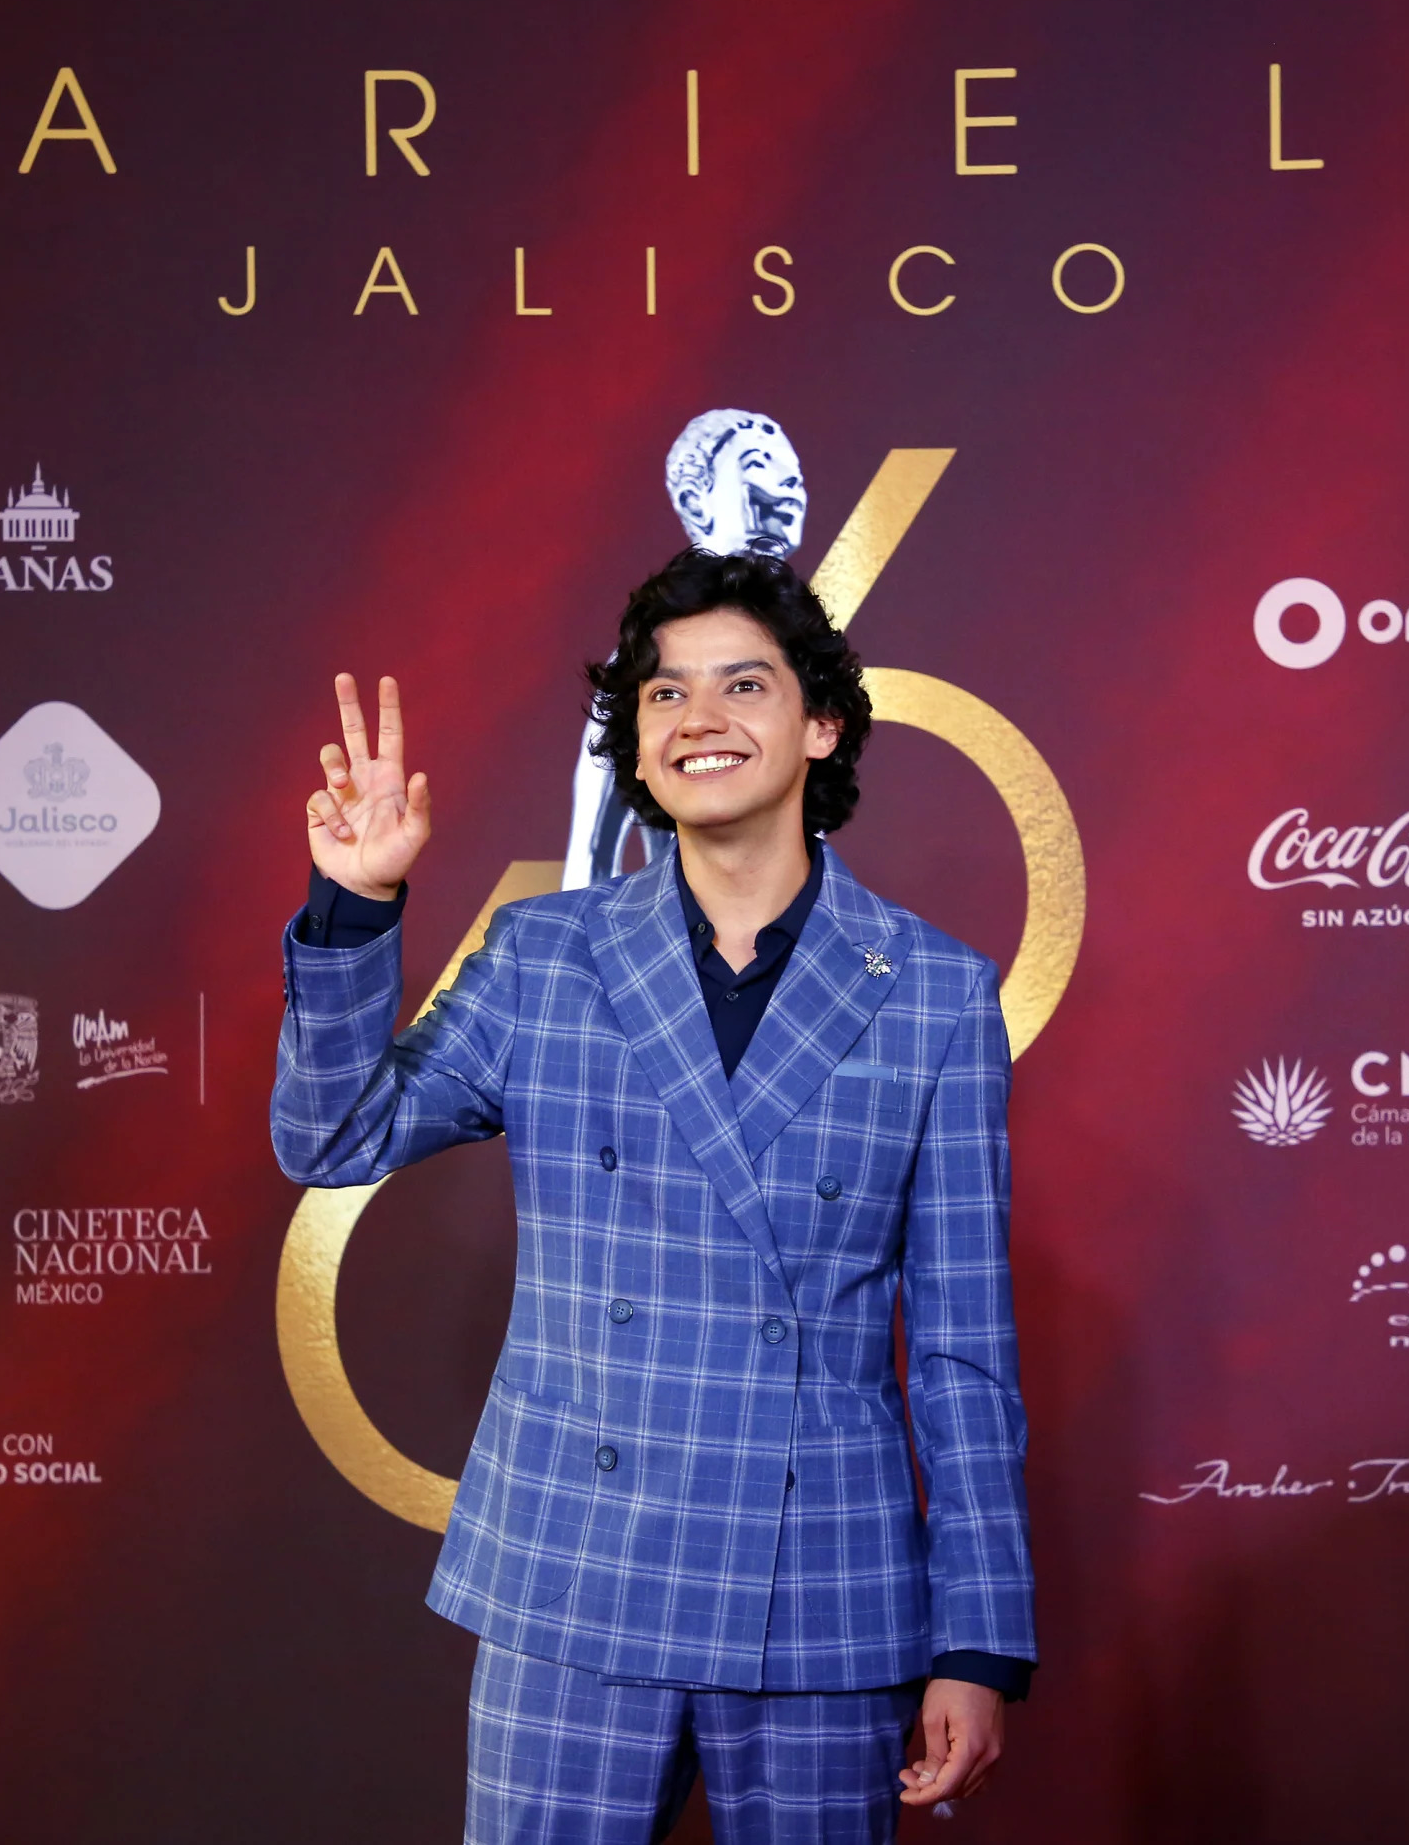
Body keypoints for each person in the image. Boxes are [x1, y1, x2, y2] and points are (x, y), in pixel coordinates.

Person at [275, 549, 1035, 1842]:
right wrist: (357, 904)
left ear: (823, 722)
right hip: (578, 1569)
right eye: (663, 696)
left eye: (742, 685)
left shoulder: (935, 992)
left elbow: (963, 1347)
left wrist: (981, 1639)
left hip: (821, 1589)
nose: (700, 721)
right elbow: (334, 1136)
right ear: (635, 741)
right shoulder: (543, 955)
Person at [565, 411, 810, 888]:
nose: (786, 486)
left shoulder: (803, 657)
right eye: (759, 463)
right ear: (696, 501)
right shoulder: (642, 665)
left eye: (745, 686)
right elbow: (590, 854)